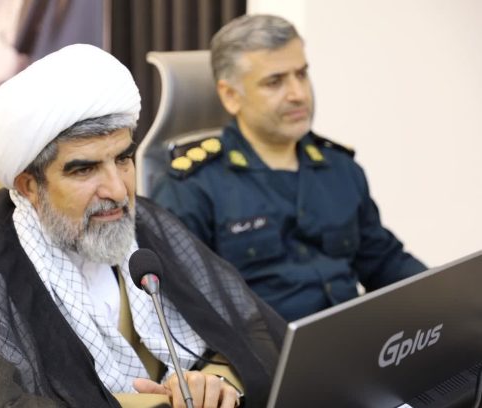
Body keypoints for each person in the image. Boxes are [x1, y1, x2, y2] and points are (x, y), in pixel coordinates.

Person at [0, 44, 285, 408]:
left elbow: (251, 329)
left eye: (123, 159)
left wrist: (215, 383)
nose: (117, 190)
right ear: (29, 186)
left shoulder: (144, 223)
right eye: (85, 170)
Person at [151, 14, 427, 322]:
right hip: (263, 349)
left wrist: (448, 301)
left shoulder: (340, 169)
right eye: (275, 82)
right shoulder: (191, 188)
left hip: (352, 339)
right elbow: (186, 311)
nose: (298, 94)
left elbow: (384, 262)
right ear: (231, 96)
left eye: (301, 74)